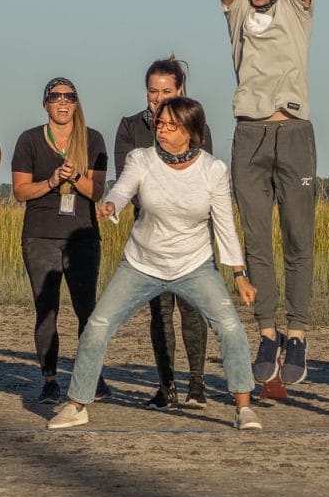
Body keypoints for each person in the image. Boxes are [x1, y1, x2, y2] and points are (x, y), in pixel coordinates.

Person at [47, 97, 262, 431]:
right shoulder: (142, 158)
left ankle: (244, 407)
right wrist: (111, 206)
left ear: (191, 132)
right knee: (98, 326)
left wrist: (240, 275)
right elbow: (122, 189)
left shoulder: (213, 170)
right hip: (141, 263)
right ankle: (76, 405)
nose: (161, 129)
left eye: (171, 125)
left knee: (230, 327)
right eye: (160, 123)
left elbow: (224, 226)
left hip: (194, 265)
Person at [202, 0, 315, 385]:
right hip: (249, 136)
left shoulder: (298, 9)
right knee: (256, 240)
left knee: (298, 236)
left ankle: (298, 333)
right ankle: (268, 332)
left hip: (293, 132)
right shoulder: (239, 12)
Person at [114, 57, 213, 410]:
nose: (158, 98)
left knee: (193, 310)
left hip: (191, 237)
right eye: (152, 91)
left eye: (166, 91)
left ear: (180, 90)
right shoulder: (130, 127)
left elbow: (203, 179)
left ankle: (197, 384)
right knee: (160, 313)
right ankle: (166, 386)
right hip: (150, 236)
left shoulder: (195, 123)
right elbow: (128, 183)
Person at [12, 77, 110, 405]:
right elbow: (20, 191)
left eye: (69, 96)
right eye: (55, 97)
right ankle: (50, 380)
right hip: (40, 235)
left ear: (76, 103)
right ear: (46, 104)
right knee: (46, 310)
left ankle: (91, 376)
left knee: (87, 310)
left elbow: (97, 192)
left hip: (82, 235)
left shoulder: (92, 139)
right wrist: (52, 181)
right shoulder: (29, 140)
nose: (63, 102)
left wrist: (76, 177)